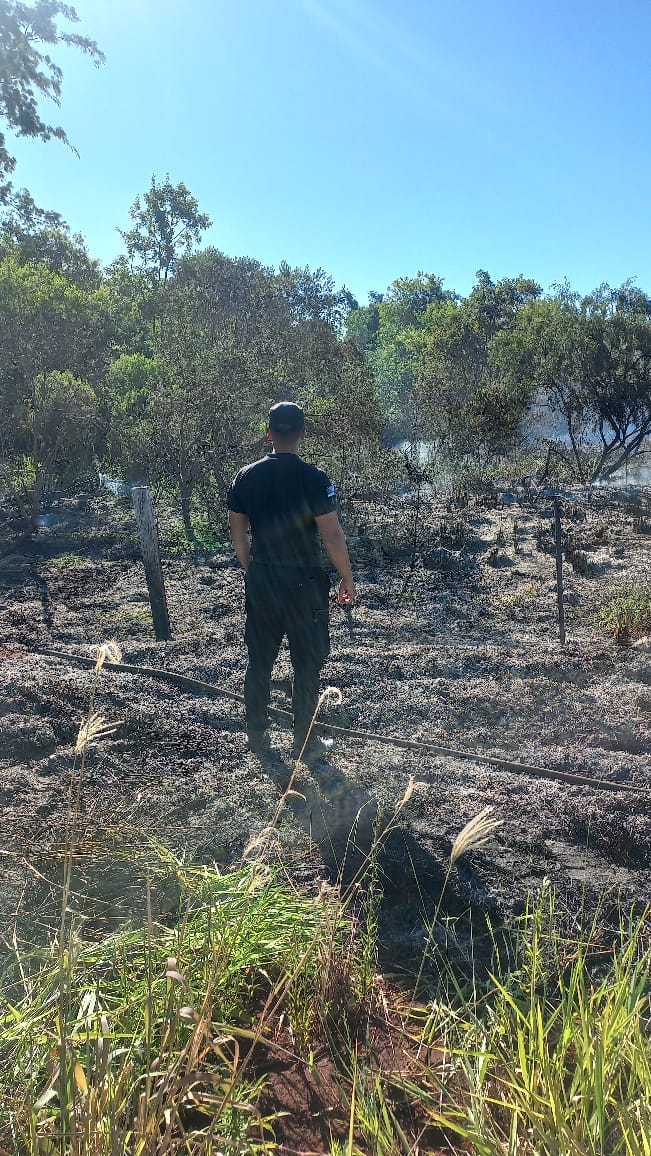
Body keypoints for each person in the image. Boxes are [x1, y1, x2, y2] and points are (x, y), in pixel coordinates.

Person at [227, 401, 356, 765]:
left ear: (269, 433)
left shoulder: (245, 477)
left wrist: (253, 567)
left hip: (264, 580)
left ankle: (257, 734)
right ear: (302, 434)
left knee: (260, 660)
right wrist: (347, 577)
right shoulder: (315, 478)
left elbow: (238, 534)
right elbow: (332, 536)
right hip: (305, 584)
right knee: (307, 664)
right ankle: (305, 741)